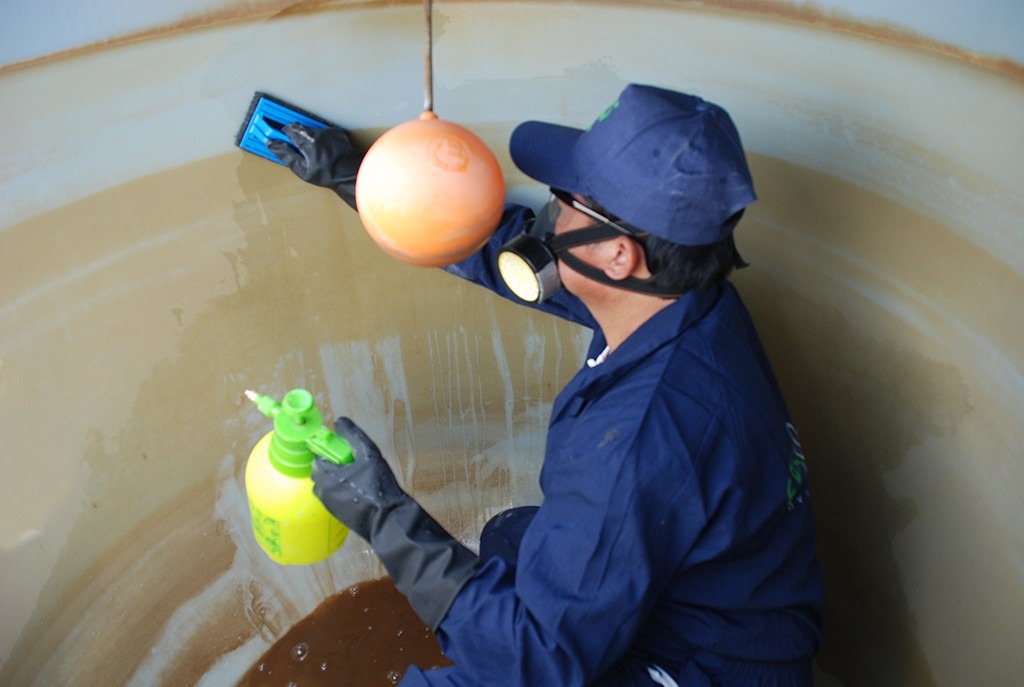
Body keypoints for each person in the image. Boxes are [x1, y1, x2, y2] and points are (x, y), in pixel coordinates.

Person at [267, 83, 823, 686]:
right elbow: (506, 258)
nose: (550, 219)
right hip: (721, 606)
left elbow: (534, 662)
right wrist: (359, 180)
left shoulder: (636, 441)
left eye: (566, 203)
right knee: (511, 541)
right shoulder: (684, 301)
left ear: (618, 256)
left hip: (703, 668)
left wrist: (384, 515)